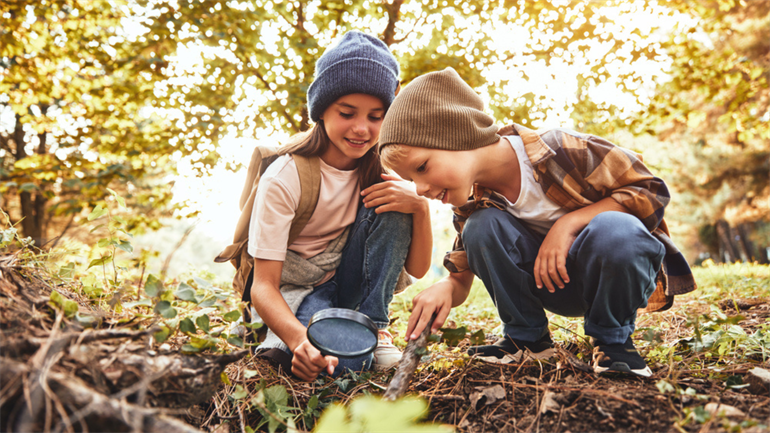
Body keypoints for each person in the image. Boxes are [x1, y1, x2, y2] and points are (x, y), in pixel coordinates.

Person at [377, 67, 696, 377]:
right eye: (409, 179)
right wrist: (446, 288)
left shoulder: (563, 150)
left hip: (612, 275)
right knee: (482, 225)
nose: (419, 189)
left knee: (617, 229)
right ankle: (527, 340)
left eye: (421, 167)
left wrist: (567, 224)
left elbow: (649, 191)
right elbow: (462, 275)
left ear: (457, 135)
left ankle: (613, 343)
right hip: (552, 287)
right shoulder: (471, 204)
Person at [247, 31, 431, 381]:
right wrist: (299, 341)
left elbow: (419, 269)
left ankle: (374, 327)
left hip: (349, 281)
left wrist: (419, 206)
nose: (361, 129)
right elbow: (263, 285)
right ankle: (299, 335)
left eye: (376, 117)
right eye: (347, 113)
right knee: (334, 366)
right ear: (322, 110)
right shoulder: (285, 177)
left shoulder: (381, 172)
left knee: (395, 202)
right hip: (297, 288)